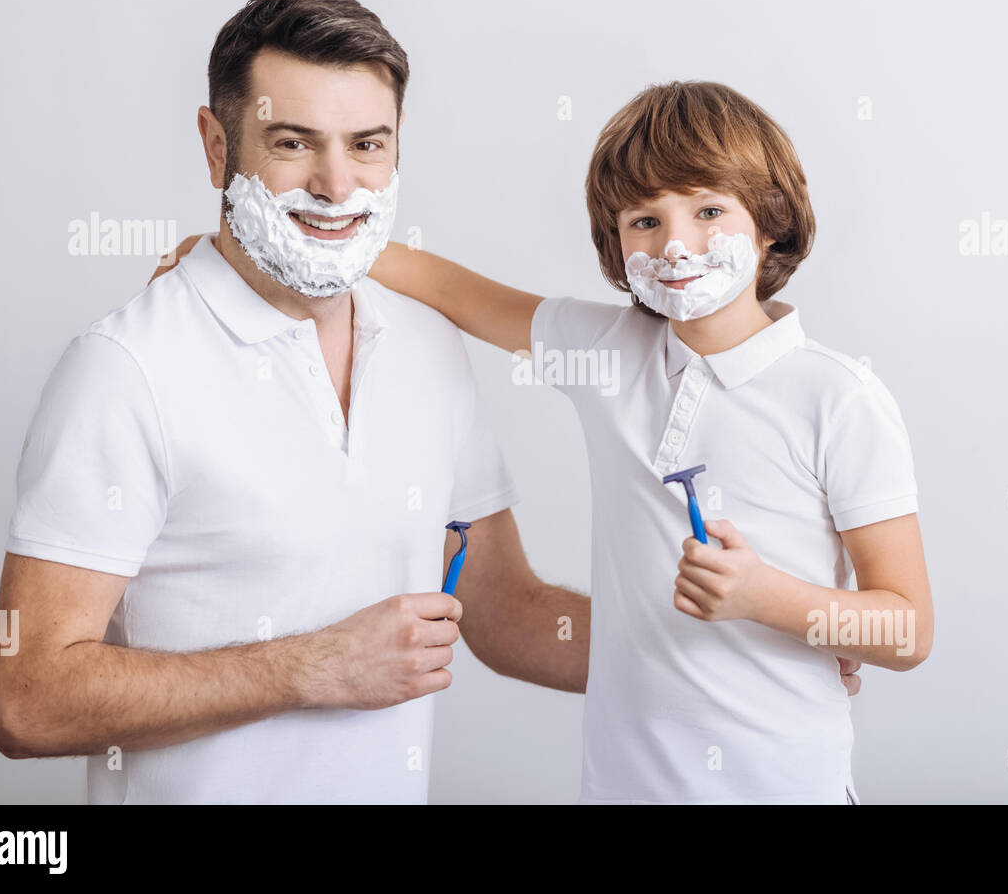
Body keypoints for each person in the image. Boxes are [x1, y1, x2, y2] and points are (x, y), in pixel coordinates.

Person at [0, 0, 592, 803]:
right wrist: (315, 667)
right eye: (293, 142)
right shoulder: (127, 368)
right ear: (215, 146)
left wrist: (745, 642)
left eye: (367, 144)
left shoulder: (428, 346)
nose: (337, 185)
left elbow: (508, 613)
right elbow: (27, 701)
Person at [363, 80, 933, 803]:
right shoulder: (604, 352)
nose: (675, 244)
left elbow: (909, 630)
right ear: (615, 242)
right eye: (644, 220)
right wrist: (240, 256)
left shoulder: (839, 398)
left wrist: (765, 595)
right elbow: (445, 287)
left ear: (769, 223)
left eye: (709, 210)